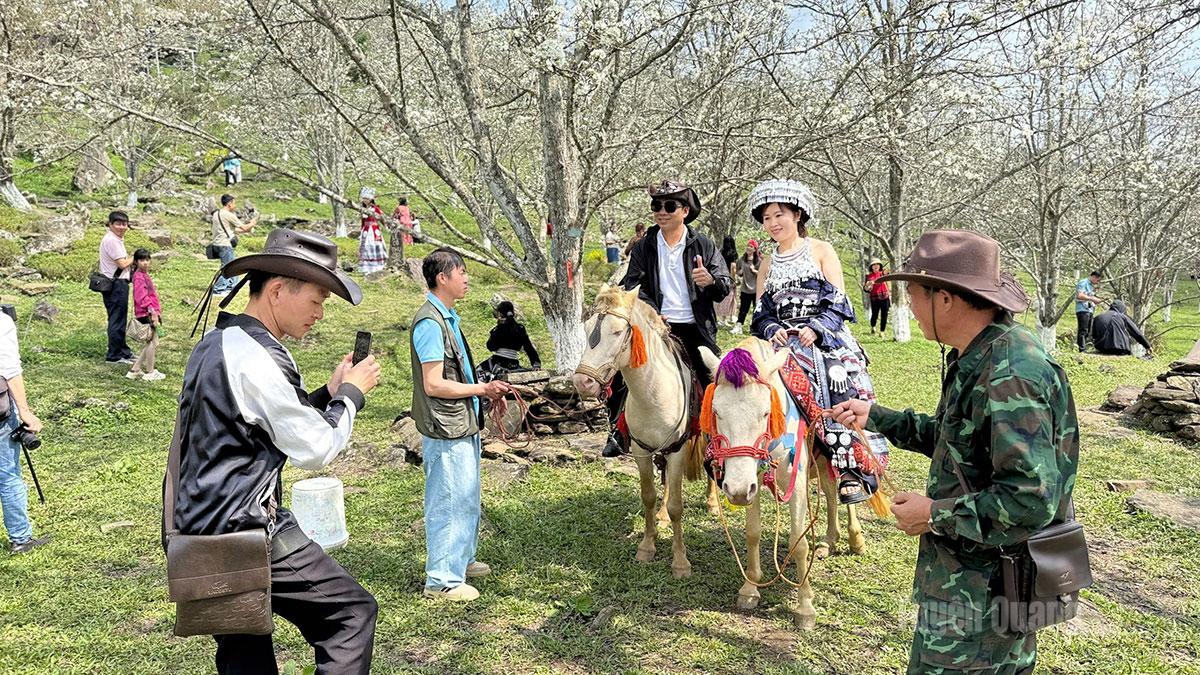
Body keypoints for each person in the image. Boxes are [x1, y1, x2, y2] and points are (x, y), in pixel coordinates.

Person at [829, 229, 1079, 675]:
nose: (908, 306)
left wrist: (933, 514)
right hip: (967, 586)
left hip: (985, 597)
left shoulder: (1008, 375)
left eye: (912, 294)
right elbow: (960, 442)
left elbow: (1029, 499)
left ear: (944, 299)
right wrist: (878, 417)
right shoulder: (982, 354)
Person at [166, 229, 382, 673]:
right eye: (317, 300)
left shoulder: (218, 343)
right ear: (279, 290)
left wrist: (328, 393)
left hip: (201, 530)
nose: (320, 313)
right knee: (349, 614)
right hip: (246, 530)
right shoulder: (257, 356)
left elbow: (261, 421)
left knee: (245, 652)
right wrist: (351, 396)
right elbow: (315, 446)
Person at [748, 179, 877, 503]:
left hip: (823, 338)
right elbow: (761, 312)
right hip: (782, 341)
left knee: (834, 375)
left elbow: (839, 301)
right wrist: (771, 328)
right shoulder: (767, 264)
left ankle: (849, 465)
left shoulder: (821, 250)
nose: (772, 223)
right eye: (766, 218)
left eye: (779, 215)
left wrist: (817, 328)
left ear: (797, 215)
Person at [603, 179, 732, 457]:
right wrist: (651, 311)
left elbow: (725, 285)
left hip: (696, 328)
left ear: (684, 211)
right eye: (656, 206)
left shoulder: (703, 245)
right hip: (654, 327)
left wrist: (710, 280)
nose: (662, 211)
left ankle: (715, 439)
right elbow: (632, 285)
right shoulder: (644, 246)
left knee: (712, 380)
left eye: (669, 206)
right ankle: (617, 431)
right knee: (622, 371)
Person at [410, 248, 511, 601]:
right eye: (462, 272)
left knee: (466, 494)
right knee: (448, 499)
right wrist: (482, 390)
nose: (467, 279)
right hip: (445, 426)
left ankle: (461, 560)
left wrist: (483, 392)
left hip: (461, 421)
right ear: (443, 278)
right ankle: (441, 580)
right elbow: (433, 384)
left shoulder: (447, 317)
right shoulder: (429, 323)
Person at [0, 309, 49, 554]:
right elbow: (9, 370)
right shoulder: (2, 322)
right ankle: (20, 538)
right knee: (8, 475)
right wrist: (25, 412)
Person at [99, 210, 135, 364]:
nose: (122, 227)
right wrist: (136, 257)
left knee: (120, 318)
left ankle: (123, 351)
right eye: (118, 224)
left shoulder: (115, 239)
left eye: (124, 224)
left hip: (118, 283)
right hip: (116, 285)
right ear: (110, 224)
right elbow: (122, 263)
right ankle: (114, 355)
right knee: (116, 319)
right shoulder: (112, 240)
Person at [126, 249, 164, 382]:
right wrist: (152, 311)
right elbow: (141, 297)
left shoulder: (143, 275)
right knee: (152, 342)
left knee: (152, 341)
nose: (145, 263)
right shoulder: (139, 277)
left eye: (147, 260)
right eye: (142, 260)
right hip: (146, 312)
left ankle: (135, 369)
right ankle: (150, 372)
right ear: (136, 262)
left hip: (148, 312)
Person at [478, 301, 542, 378]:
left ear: (500, 314)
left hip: (498, 361)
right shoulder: (520, 329)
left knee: (477, 372)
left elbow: (490, 347)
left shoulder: (498, 329)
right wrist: (536, 364)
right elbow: (529, 348)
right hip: (513, 363)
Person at [211, 194, 257, 297]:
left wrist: (246, 229)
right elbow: (244, 227)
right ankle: (218, 289)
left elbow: (232, 229)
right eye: (234, 203)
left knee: (230, 265)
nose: (235, 206)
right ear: (229, 203)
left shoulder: (216, 214)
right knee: (227, 267)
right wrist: (252, 224)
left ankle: (230, 286)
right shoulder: (229, 215)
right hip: (225, 244)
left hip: (217, 243)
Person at [731, 239, 760, 335]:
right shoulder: (742, 260)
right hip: (745, 289)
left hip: (756, 290)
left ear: (755, 249)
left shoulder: (758, 261)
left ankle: (755, 328)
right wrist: (740, 272)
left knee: (756, 310)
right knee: (743, 309)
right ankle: (739, 326)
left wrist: (754, 270)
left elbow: (763, 274)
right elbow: (738, 271)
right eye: (748, 245)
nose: (748, 248)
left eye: (751, 246)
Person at [357, 187, 388, 274]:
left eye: (367, 198)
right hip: (365, 230)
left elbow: (382, 218)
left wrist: (385, 226)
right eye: (364, 198)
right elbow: (362, 221)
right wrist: (361, 230)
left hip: (374, 230)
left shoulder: (375, 208)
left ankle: (377, 265)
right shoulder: (362, 209)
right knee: (365, 246)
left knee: (374, 245)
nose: (365, 200)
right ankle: (366, 266)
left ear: (371, 199)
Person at [1074, 271, 1102, 352]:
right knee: (1083, 329)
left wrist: (1095, 300)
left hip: (1089, 309)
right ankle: (1081, 349)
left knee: (1088, 330)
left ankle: (1084, 347)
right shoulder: (1083, 283)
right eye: (1097, 280)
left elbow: (1089, 297)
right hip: (1083, 309)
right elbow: (1080, 295)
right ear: (1094, 277)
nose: (1097, 282)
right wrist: (1092, 299)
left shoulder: (1091, 286)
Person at [716, 235, 739, 328]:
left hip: (721, 277)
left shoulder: (721, 252)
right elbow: (733, 268)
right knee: (730, 298)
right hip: (729, 278)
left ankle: (723, 318)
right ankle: (725, 319)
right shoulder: (733, 254)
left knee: (723, 298)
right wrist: (734, 280)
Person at [864, 258, 891, 335]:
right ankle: (873, 327)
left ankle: (882, 331)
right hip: (874, 298)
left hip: (885, 297)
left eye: (877, 264)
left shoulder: (882, 273)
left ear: (880, 266)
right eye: (874, 265)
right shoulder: (868, 276)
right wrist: (868, 285)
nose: (876, 266)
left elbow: (888, 273)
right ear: (871, 267)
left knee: (884, 315)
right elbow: (866, 289)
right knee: (874, 314)